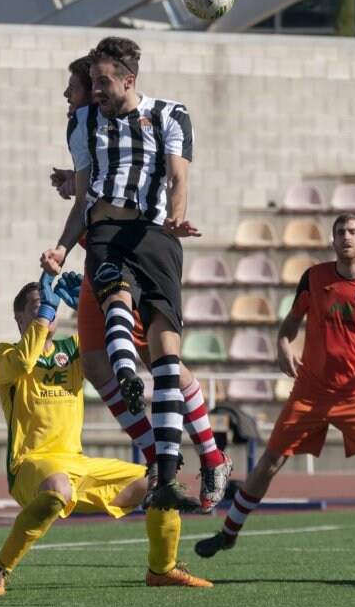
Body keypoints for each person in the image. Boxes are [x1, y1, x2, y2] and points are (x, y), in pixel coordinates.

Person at [48, 55, 232, 513]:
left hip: (129, 246)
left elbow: (160, 172)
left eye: (80, 87)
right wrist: (74, 184)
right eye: (82, 87)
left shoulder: (137, 115)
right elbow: (96, 183)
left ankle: (206, 456)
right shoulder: (84, 124)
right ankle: (161, 464)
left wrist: (174, 211)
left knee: (157, 357)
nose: (74, 95)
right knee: (97, 363)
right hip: (101, 250)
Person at [0, 273, 213, 596]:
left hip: (78, 465)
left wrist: (95, 310)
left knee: (160, 479)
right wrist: (45, 313)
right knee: (58, 485)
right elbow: (23, 363)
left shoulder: (72, 349)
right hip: (30, 467)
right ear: (19, 318)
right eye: (37, 306)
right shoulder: (3, 355)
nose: (48, 310)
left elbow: (109, 350)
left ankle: (162, 568)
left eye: (50, 305)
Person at [195, 214, 355, 565]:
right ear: (332, 240)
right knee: (268, 464)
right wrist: (282, 344)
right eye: (340, 232)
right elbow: (292, 320)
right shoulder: (315, 277)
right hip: (311, 390)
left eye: (353, 232)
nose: (346, 236)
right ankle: (227, 534)